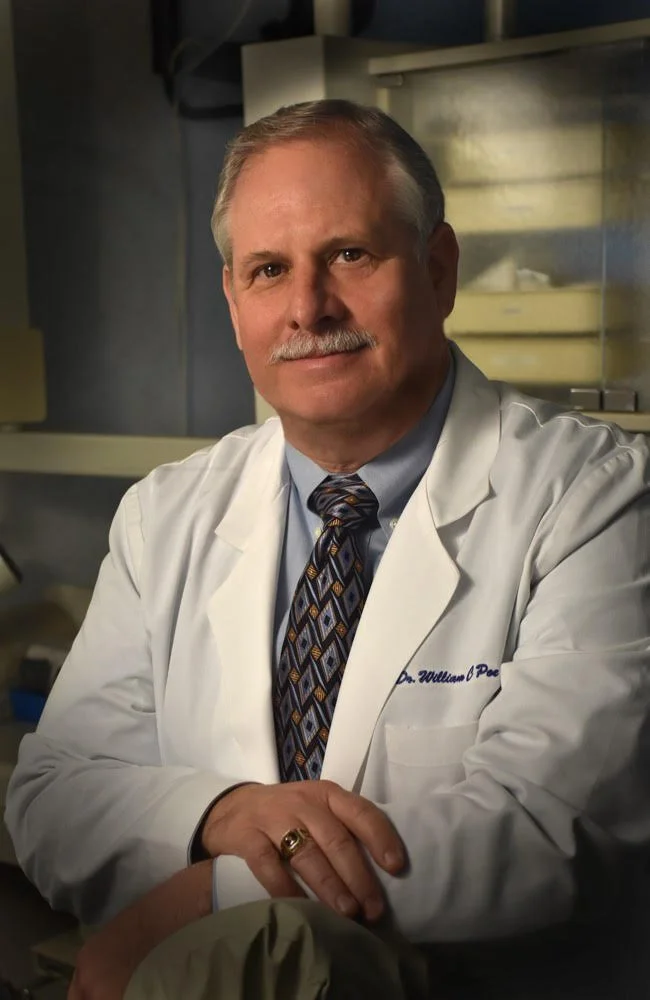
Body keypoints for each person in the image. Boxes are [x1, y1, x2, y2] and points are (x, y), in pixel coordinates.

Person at [5, 99, 650, 1000]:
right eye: (269, 270)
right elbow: (54, 796)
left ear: (438, 267)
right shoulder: (168, 513)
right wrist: (220, 814)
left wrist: (209, 896)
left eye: (350, 254)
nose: (309, 307)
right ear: (234, 304)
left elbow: (551, 829)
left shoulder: (595, 494)